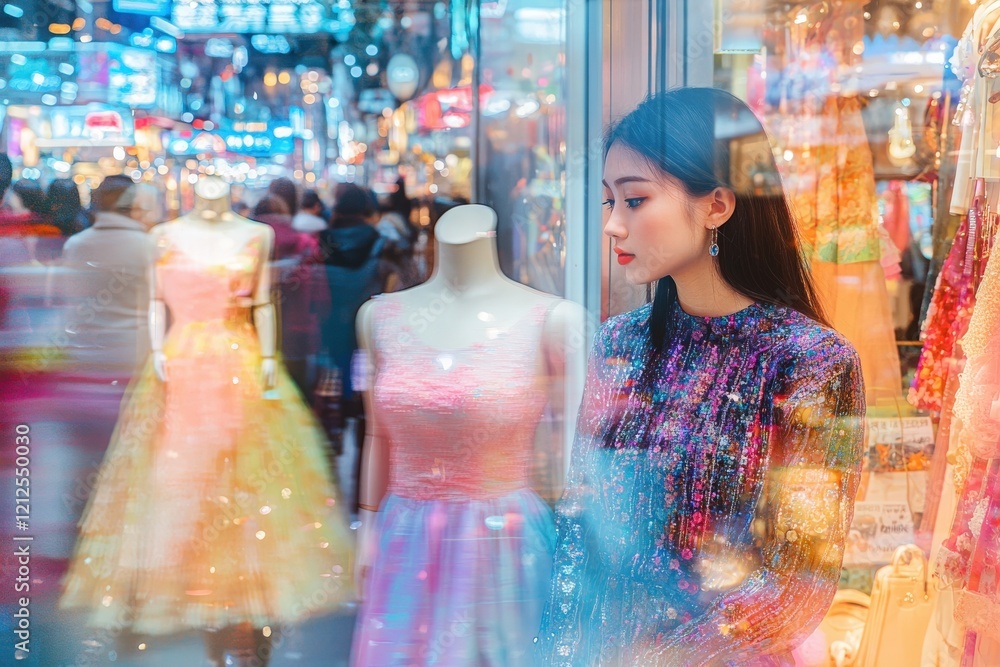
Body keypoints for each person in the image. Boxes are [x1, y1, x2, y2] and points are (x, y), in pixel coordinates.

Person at [536, 88, 866, 665]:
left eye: (635, 201)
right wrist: (561, 652)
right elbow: (580, 527)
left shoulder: (811, 363)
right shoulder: (620, 345)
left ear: (717, 205)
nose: (613, 225)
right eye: (609, 201)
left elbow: (797, 578)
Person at [318, 183, 394, 507]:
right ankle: (362, 499)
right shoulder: (383, 244)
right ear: (368, 210)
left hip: (326, 344)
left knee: (324, 425)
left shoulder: (321, 243)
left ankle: (325, 499)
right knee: (371, 427)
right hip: (370, 345)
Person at [60, 175, 153, 376]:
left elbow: (69, 300)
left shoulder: (75, 245)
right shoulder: (149, 246)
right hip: (135, 352)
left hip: (84, 350)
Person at [249, 195, 328, 396]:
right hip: (297, 330)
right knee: (297, 395)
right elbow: (320, 295)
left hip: (253, 332)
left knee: (256, 394)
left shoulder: (247, 245)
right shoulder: (305, 243)